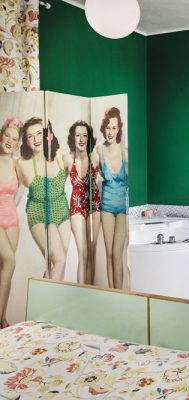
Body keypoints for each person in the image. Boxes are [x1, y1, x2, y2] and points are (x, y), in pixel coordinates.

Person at [17, 118, 70, 280]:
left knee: (59, 263)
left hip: (61, 209)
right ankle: (45, 296)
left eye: (39, 133)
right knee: (59, 259)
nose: (36, 139)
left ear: (49, 135)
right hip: (39, 213)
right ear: (26, 141)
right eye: (30, 136)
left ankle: (48, 294)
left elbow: (71, 174)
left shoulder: (61, 155)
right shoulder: (22, 164)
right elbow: (12, 191)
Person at [93, 107, 128, 289]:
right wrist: (95, 176)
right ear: (103, 128)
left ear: (119, 129)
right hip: (106, 206)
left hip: (122, 208)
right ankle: (112, 293)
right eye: (108, 127)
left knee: (117, 254)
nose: (110, 132)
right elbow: (91, 174)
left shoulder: (125, 152)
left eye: (114, 128)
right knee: (108, 255)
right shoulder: (99, 150)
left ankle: (119, 294)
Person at [63, 121, 101, 284]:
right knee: (83, 254)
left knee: (92, 253)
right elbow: (57, 183)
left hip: (94, 204)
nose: (81, 139)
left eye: (84, 135)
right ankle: (81, 291)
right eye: (77, 135)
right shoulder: (67, 159)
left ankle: (91, 291)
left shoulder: (95, 157)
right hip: (77, 206)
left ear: (89, 138)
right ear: (73, 137)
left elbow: (108, 176)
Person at [0, 117, 22, 328]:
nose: (9, 141)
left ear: (17, 144)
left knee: (6, 270)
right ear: (1, 136)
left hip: (12, 220)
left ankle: (3, 318)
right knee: (10, 262)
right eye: (7, 135)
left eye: (14, 139)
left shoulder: (17, 165)